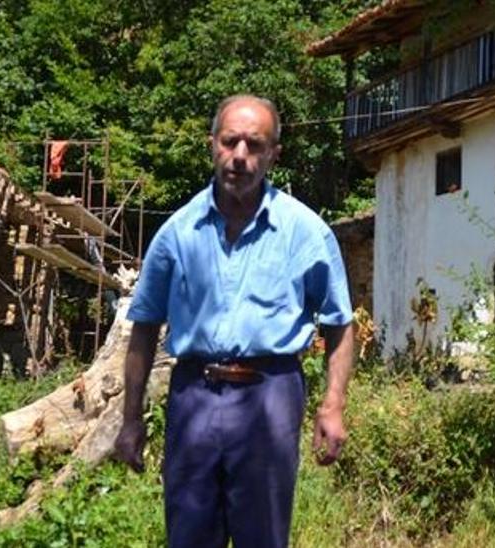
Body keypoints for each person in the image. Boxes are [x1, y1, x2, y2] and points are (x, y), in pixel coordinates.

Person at [113, 95, 355, 548]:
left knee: (262, 538)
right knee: (188, 537)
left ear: (273, 154)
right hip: (193, 399)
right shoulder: (177, 233)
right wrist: (130, 419)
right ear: (213, 144)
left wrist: (333, 404)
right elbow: (144, 326)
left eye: (254, 145)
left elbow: (340, 323)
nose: (240, 156)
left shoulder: (305, 232)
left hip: (271, 399)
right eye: (230, 142)